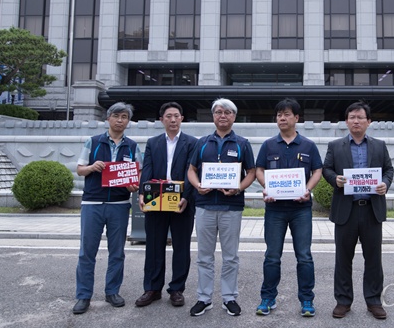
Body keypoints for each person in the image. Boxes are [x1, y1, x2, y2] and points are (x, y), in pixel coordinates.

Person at [322, 101, 394, 320]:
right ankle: (343, 301)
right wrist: (336, 180)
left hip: (372, 210)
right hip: (347, 210)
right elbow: (326, 169)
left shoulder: (379, 146)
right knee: (343, 259)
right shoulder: (335, 146)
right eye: (352, 117)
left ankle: (373, 301)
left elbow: (389, 170)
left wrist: (384, 184)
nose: (355, 121)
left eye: (360, 117)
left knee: (373, 259)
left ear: (368, 122)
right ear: (346, 121)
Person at [187, 98, 256, 317]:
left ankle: (229, 297)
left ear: (234, 117)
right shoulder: (202, 143)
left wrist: (237, 188)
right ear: (213, 116)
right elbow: (191, 170)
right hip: (205, 206)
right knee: (204, 256)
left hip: (231, 207)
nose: (222, 115)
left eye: (227, 112)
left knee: (230, 256)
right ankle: (204, 298)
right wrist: (197, 185)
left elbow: (252, 172)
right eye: (218, 112)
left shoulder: (242, 144)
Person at [255, 98, 323, 317]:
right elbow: (259, 170)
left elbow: (317, 171)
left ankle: (306, 301)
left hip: (300, 209)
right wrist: (267, 188)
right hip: (274, 210)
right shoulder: (268, 145)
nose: (281, 118)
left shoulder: (308, 145)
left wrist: (307, 190)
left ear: (296, 118)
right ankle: (267, 298)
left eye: (286, 114)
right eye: (278, 115)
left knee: (304, 256)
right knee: (272, 256)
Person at [73, 102, 143, 315]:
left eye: (124, 117)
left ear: (128, 122)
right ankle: (83, 295)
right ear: (108, 118)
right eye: (116, 116)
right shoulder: (93, 142)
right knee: (87, 252)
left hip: (119, 206)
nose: (120, 120)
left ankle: (112, 291)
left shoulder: (132, 147)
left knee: (117, 252)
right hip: (93, 203)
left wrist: (134, 185)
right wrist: (92, 167)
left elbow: (137, 176)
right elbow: (79, 170)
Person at [135, 102, 198, 309]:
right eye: (168, 116)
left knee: (181, 247)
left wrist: (186, 197)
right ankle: (152, 289)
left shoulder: (191, 143)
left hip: (181, 202)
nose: (172, 119)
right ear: (161, 119)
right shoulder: (153, 143)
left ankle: (177, 289)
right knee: (153, 245)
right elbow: (147, 171)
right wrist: (142, 193)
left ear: (182, 119)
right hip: (156, 200)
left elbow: (192, 172)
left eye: (176, 116)